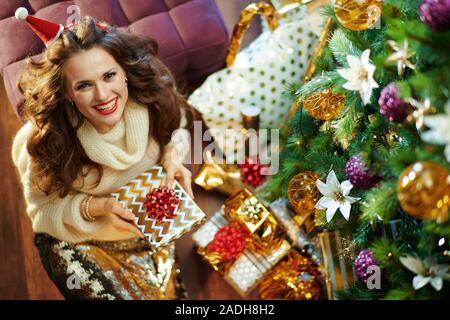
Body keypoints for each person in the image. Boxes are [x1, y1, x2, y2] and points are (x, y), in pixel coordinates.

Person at [11, 8, 194, 299]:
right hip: (84, 238)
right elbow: (42, 214)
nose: (103, 96)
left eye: (109, 75)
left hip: (144, 225)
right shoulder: (43, 140)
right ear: (67, 93)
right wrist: (98, 208)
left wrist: (174, 153)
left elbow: (180, 125)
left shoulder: (152, 96)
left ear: (125, 73)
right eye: (84, 85)